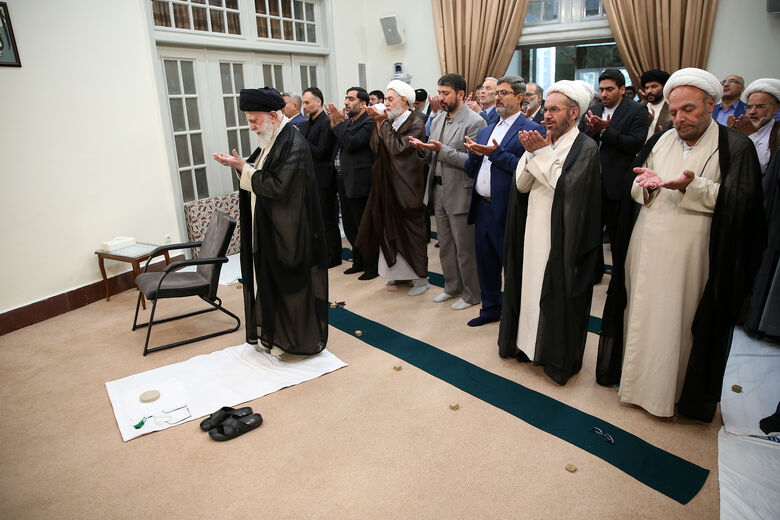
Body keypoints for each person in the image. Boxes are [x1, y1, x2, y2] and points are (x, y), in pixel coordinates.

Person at [596, 68, 766, 421]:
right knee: (640, 313)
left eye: (688, 110)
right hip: (646, 244)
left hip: (692, 251)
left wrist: (692, 186)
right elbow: (636, 181)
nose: (680, 118)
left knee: (678, 321)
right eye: (674, 112)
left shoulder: (735, 146)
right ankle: (636, 385)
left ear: (710, 105)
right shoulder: (660, 140)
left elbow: (743, 203)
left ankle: (670, 394)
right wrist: (648, 184)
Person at [497, 81, 600, 385]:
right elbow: (521, 185)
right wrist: (531, 155)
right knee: (529, 290)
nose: (546, 116)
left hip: (562, 240)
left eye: (554, 109)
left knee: (555, 295)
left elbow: (568, 188)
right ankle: (527, 346)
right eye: (546, 109)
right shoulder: (545, 141)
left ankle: (553, 355)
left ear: (574, 112)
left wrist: (540, 154)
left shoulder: (586, 148)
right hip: (532, 233)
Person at [212, 87, 328, 355]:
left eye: (254, 121)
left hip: (289, 233)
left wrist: (242, 168)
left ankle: (298, 341)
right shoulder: (272, 139)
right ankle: (279, 337)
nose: (252, 127)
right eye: (249, 121)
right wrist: (240, 165)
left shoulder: (292, 143)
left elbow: (278, 187)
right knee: (272, 285)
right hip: (272, 229)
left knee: (291, 289)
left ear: (274, 116)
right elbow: (256, 171)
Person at [463, 75, 543, 326]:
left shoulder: (532, 130)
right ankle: (490, 309)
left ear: (520, 98)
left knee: (513, 266)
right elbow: (470, 169)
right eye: (496, 93)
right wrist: (474, 155)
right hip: (482, 206)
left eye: (504, 93)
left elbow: (525, 168)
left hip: (509, 208)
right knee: (485, 263)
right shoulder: (486, 129)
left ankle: (515, 316)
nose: (498, 97)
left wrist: (495, 154)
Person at [412, 73, 486, 311]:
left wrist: (440, 150)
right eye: (440, 92)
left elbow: (471, 162)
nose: (440, 98)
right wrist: (422, 150)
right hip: (438, 190)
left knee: (465, 248)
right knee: (445, 245)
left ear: (461, 94)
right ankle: (452, 287)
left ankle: (472, 293)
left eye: (446, 93)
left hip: (460, 191)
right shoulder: (437, 120)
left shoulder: (475, 122)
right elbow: (433, 155)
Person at [356, 80, 430, 296]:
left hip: (407, 188)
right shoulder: (390, 120)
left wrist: (383, 123)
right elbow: (376, 147)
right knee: (389, 228)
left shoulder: (416, 123)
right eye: (386, 99)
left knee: (412, 233)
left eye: (390, 99)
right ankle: (399, 274)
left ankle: (420, 278)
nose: (385, 104)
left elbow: (398, 148)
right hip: (386, 186)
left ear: (404, 101)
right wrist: (380, 124)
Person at [579, 68, 649, 283]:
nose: (605, 94)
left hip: (617, 183)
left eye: (609, 89)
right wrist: (592, 130)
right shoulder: (594, 109)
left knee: (618, 236)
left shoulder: (637, 110)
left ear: (621, 89)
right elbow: (580, 137)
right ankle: (594, 273)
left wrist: (606, 131)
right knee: (590, 232)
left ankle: (620, 279)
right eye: (601, 89)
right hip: (592, 181)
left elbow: (636, 143)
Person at [325, 87, 378, 280]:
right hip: (342, 179)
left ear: (363, 103)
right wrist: (337, 123)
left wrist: (338, 123)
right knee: (349, 225)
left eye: (351, 99)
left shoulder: (369, 122)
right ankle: (358, 262)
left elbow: (353, 143)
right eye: (345, 98)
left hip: (360, 180)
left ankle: (372, 265)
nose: (346, 102)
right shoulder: (347, 122)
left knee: (364, 225)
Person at [300, 87, 341, 268]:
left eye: (307, 102)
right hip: (310, 177)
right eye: (303, 103)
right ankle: (320, 254)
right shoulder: (308, 123)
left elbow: (322, 152)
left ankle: (334, 257)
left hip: (324, 178)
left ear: (319, 102)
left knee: (327, 220)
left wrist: (300, 139)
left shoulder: (326, 122)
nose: (305, 106)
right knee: (315, 221)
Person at [728, 78, 780, 173]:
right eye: (749, 107)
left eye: (760, 106)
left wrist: (751, 136)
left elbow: (762, 168)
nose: (752, 111)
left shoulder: (777, 133)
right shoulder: (738, 129)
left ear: (774, 109)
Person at [639, 69, 672, 139]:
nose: (649, 91)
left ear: (664, 87)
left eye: (654, 87)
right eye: (646, 88)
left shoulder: (672, 107)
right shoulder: (640, 106)